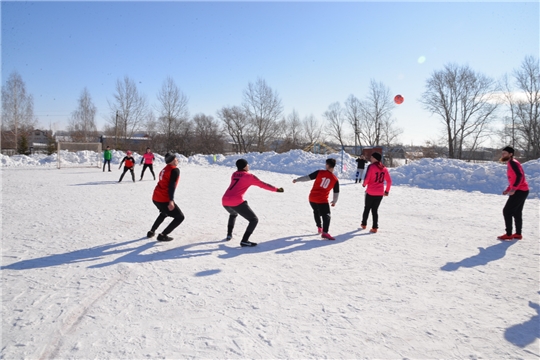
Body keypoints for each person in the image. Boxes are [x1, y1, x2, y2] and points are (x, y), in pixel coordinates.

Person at [222, 159, 284, 247]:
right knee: (254, 220)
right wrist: (276, 189)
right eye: (247, 164)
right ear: (244, 166)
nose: (249, 166)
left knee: (233, 214)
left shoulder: (234, 174)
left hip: (225, 200)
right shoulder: (249, 176)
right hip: (235, 200)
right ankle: (244, 240)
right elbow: (262, 184)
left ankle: (229, 234)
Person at [293, 158, 340, 240]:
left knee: (316, 211)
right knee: (326, 215)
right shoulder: (335, 179)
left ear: (328, 165)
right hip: (322, 200)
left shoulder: (320, 172)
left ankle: (319, 227)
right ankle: (325, 232)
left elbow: (308, 177)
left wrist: (297, 180)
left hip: (312, 198)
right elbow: (336, 192)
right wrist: (334, 201)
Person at [147, 153, 185, 241]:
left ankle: (152, 231)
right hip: (164, 198)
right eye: (175, 159)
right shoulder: (174, 170)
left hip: (156, 197)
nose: (177, 160)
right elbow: (172, 186)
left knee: (164, 212)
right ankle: (163, 235)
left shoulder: (165, 169)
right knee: (180, 217)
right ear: (171, 161)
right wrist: (171, 200)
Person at [497, 146, 529, 241]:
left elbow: (520, 176)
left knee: (507, 211)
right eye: (502, 153)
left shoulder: (512, 162)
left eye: (505, 153)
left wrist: (514, 189)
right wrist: (508, 189)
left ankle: (509, 234)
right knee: (516, 212)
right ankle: (518, 233)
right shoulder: (513, 163)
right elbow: (514, 178)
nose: (503, 155)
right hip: (523, 190)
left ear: (510, 154)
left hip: (520, 191)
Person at [361, 152, 392, 233]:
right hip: (380, 193)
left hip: (371, 191)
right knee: (375, 210)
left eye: (371, 157)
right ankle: (375, 227)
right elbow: (389, 181)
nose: (370, 159)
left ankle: (364, 224)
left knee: (367, 208)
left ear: (375, 158)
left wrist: (364, 184)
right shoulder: (384, 168)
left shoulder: (371, 167)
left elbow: (367, 178)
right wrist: (387, 191)